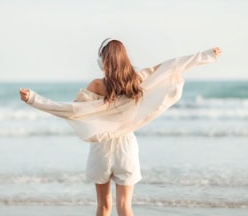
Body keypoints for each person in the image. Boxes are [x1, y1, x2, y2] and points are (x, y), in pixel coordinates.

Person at [20, 38, 221, 216]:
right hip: (127, 149)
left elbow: (71, 110)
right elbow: (171, 66)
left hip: (101, 150)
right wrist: (207, 55)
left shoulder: (96, 85)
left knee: (103, 207)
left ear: (105, 61)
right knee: (125, 208)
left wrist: (34, 99)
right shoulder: (136, 80)